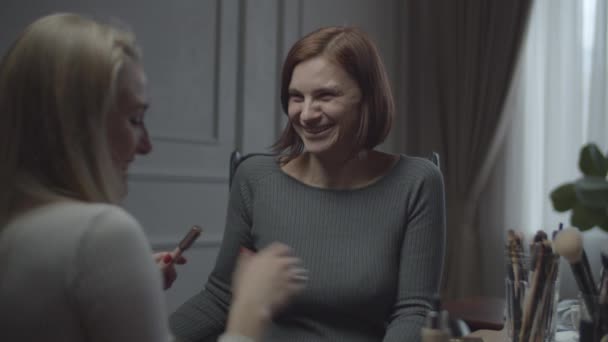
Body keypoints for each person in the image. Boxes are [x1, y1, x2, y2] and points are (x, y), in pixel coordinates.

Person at [0, 13, 304, 342]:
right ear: (75, 125)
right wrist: (250, 310)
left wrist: (120, 287)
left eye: (327, 95)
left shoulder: (19, 226)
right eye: (134, 119)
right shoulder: (102, 235)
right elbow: (219, 297)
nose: (146, 145)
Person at [170, 26, 446, 341]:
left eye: (326, 96)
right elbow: (220, 299)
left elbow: (413, 311)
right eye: (296, 97)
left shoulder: (417, 182)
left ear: (367, 98)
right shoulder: (255, 178)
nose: (307, 114)